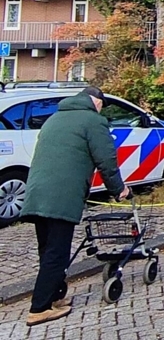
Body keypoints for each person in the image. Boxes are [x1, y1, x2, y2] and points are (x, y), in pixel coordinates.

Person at [20, 86, 129, 327]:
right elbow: (106, 159)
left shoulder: (55, 118)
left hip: (37, 191)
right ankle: (39, 309)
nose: (101, 108)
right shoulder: (93, 121)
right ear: (95, 102)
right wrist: (118, 189)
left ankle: (55, 296)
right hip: (62, 194)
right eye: (101, 104)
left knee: (47, 249)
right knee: (57, 253)